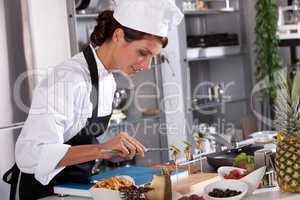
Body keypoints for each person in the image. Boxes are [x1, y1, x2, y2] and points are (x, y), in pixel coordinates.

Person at [3, 0, 183, 199]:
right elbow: (30, 154)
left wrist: (110, 151)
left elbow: (80, 139)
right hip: (44, 192)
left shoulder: (108, 79)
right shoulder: (67, 78)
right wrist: (101, 149)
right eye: (143, 53)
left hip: (74, 189)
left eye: (153, 57)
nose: (147, 65)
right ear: (118, 36)